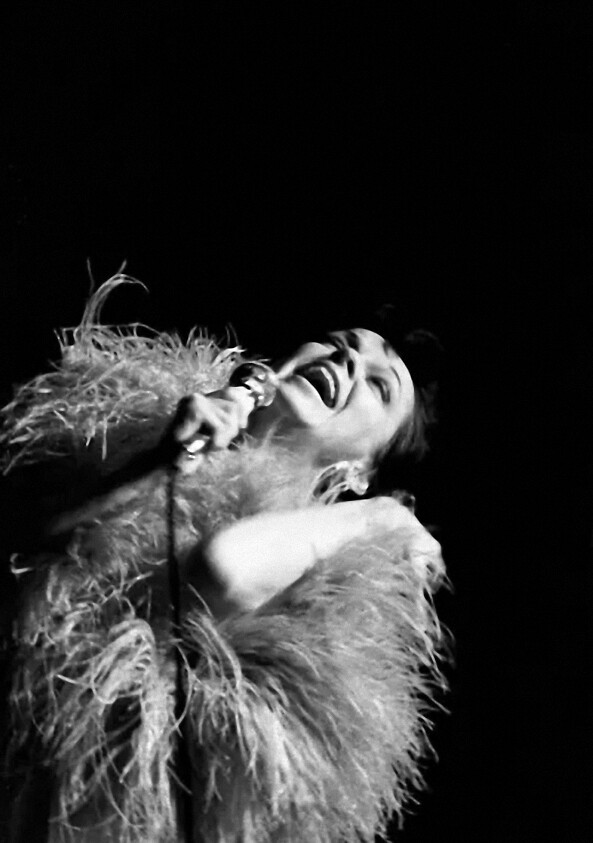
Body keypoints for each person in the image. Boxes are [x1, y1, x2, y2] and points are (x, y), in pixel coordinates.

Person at [0, 277, 447, 843]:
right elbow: (27, 543)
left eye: (380, 387)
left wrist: (376, 518)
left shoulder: (330, 583)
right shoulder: (121, 423)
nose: (350, 360)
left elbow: (220, 570)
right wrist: (159, 458)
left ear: (361, 472)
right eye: (341, 342)